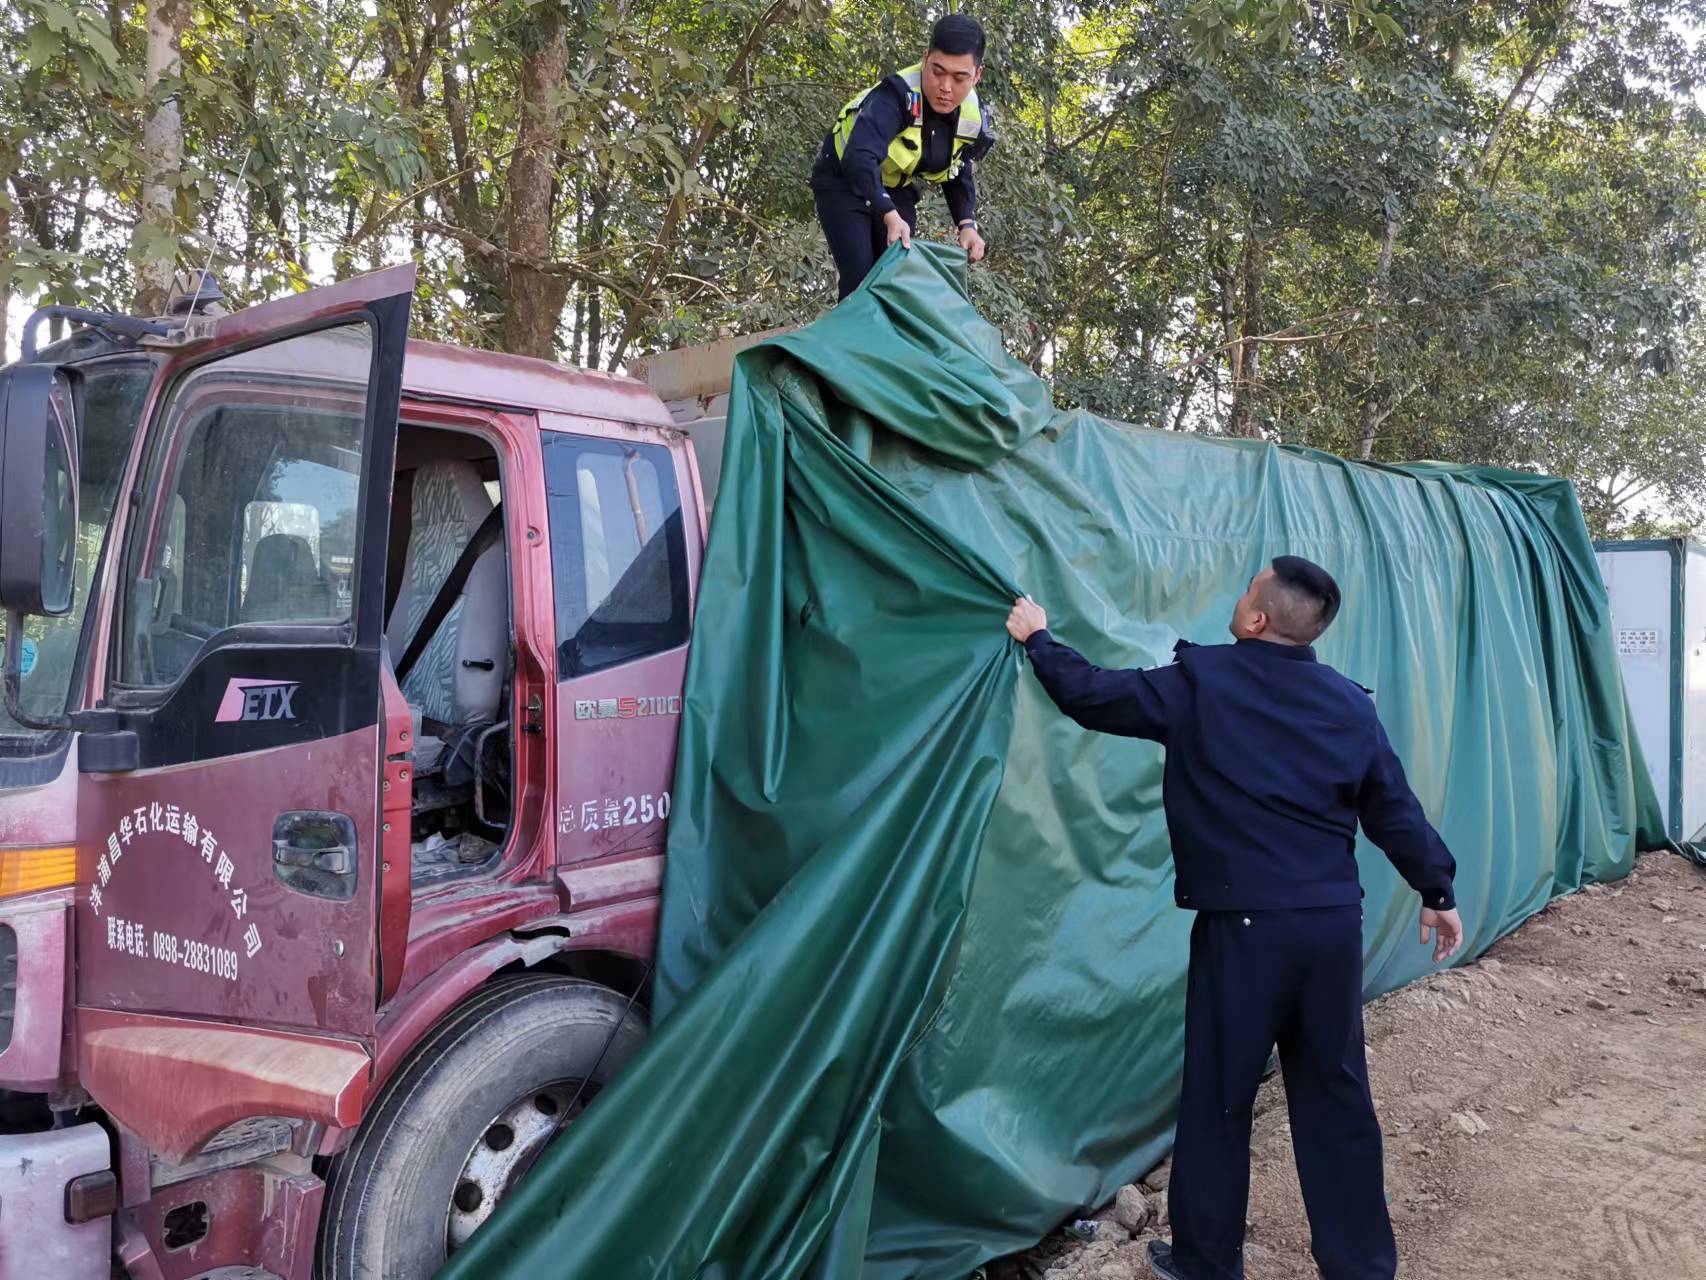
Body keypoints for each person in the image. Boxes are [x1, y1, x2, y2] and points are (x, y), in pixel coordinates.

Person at [1003, 557, 1465, 1280]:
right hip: (1331, 927)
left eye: (1247, 587)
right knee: (1336, 1095)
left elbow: (1093, 697)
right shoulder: (1348, 703)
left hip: (1246, 930)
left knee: (1219, 1096)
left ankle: (1206, 1263)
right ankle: (1362, 1267)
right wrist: (1437, 892)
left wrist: (1038, 639)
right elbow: (1393, 810)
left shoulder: (1201, 684)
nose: (1239, 593)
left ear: (1256, 619)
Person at [810, 15, 995, 300]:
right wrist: (888, 213)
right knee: (860, 280)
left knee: (895, 278)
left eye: (959, 78)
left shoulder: (971, 116)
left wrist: (967, 224)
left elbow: (958, 168)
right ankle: (853, 339)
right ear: (925, 58)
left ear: (976, 76)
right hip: (843, 180)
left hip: (895, 187)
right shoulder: (897, 95)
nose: (945, 87)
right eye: (937, 71)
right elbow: (859, 156)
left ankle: (890, 343)